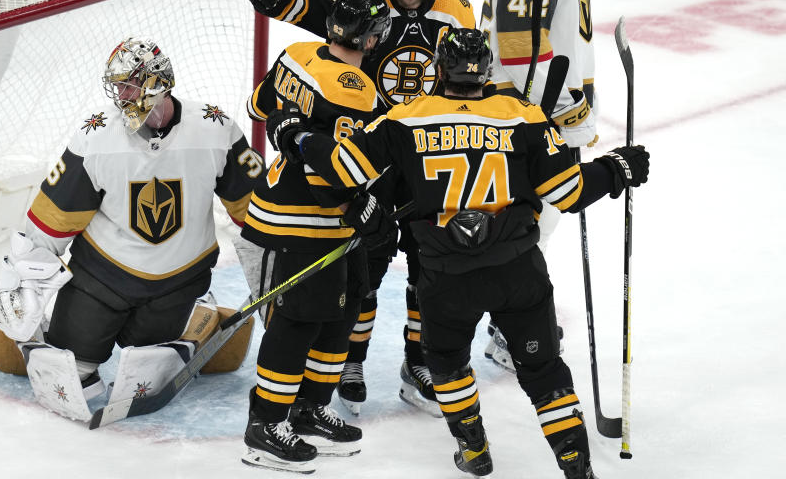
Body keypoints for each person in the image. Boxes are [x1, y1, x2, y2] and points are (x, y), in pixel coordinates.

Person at [266, 28, 650, 478]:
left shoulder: (404, 117)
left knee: (447, 365)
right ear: (485, 70)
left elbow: (343, 169)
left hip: (446, 277)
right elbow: (567, 191)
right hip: (516, 270)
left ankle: (473, 450)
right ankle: (578, 469)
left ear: (438, 69)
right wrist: (616, 168)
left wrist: (296, 136)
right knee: (543, 371)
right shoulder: (522, 115)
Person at [246, 0, 476, 416]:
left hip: (425, 158)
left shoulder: (456, 10)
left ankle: (419, 366)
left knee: (430, 272)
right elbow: (310, 1)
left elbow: (469, 77)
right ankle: (351, 361)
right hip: (365, 159)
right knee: (359, 273)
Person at [0, 36, 264, 418]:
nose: (121, 95)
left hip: (178, 280)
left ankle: (198, 307)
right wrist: (20, 276)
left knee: (147, 372)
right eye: (117, 85)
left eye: (128, 84)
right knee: (71, 376)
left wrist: (278, 257)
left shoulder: (215, 128)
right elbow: (54, 216)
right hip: (103, 278)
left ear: (157, 81)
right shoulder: (96, 136)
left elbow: (257, 210)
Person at [239, 0, 395, 474]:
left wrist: (293, 128)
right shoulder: (355, 90)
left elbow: (258, 107)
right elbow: (333, 172)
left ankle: (309, 409)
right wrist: (360, 205)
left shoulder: (297, 53)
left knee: (340, 314)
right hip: (309, 219)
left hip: (298, 210)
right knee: (300, 321)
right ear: (369, 38)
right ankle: (265, 426)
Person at [478, 0, 595, 371]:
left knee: (538, 221)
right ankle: (508, 330)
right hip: (532, 112)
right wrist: (556, 111)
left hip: (546, 106)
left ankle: (508, 325)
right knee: (530, 222)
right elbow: (522, 48)